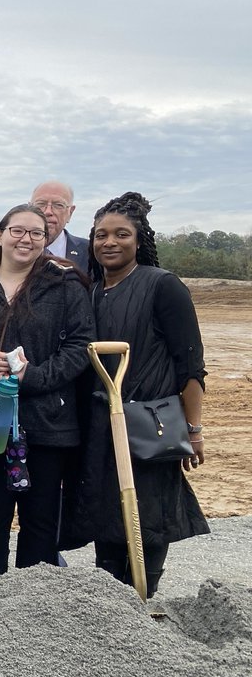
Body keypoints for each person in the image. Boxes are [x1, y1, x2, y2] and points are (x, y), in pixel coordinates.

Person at [0, 204, 94, 587]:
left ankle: (33, 607)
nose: (26, 239)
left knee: (40, 516)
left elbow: (82, 346)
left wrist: (37, 376)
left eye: (36, 233)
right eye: (18, 230)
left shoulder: (65, 285)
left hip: (48, 421)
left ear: (46, 241)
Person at [74, 191, 208, 595]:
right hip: (101, 423)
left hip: (151, 422)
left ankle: (142, 596)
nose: (109, 243)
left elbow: (191, 365)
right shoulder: (92, 290)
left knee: (149, 514)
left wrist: (194, 429)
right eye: (100, 235)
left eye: (121, 235)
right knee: (107, 512)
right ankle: (112, 601)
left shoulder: (162, 285)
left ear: (139, 240)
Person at [32, 181, 89, 270]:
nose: (48, 211)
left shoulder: (90, 252)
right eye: (41, 204)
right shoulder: (10, 250)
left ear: (70, 212)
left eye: (58, 205)